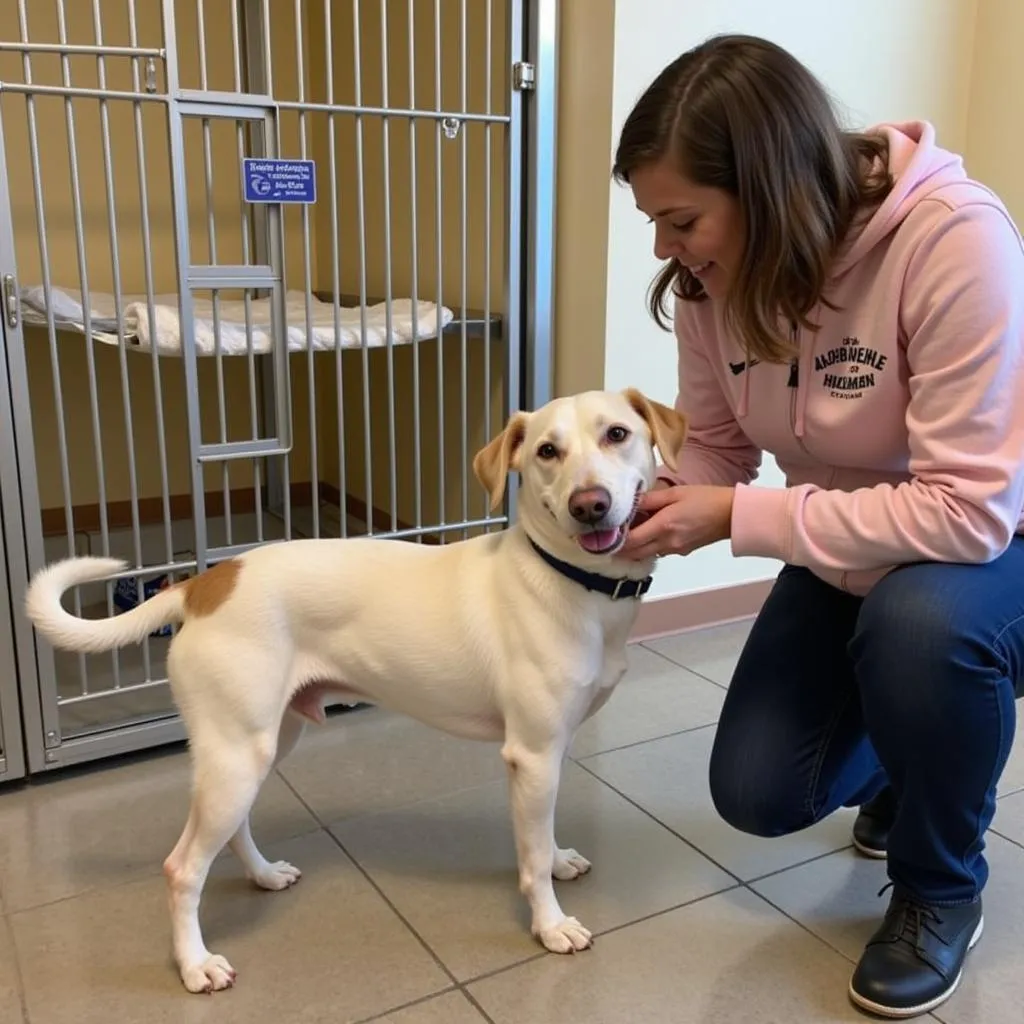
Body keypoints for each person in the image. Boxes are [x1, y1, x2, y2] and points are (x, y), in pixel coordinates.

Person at [613, 32, 1024, 1020]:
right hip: (850, 544)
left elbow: (968, 509)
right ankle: (911, 754)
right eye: (653, 223)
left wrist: (740, 516)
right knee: (759, 792)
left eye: (680, 220)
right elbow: (717, 445)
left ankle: (940, 888)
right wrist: (655, 495)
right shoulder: (715, 285)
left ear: (769, 186)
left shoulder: (951, 237)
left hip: (985, 544)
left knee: (922, 631)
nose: (666, 251)